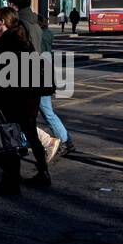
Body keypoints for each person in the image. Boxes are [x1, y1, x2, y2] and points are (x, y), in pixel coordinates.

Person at [0, 6, 51, 193]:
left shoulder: (7, 41)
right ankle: (43, 173)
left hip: (14, 96)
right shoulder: (22, 37)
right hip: (29, 95)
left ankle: (11, 181)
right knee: (31, 135)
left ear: (3, 21)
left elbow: (5, 74)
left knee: (9, 137)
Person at [37, 14, 73, 160]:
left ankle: (65, 142)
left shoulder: (39, 35)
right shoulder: (48, 34)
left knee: (48, 113)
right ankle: (67, 141)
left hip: (40, 74)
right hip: (46, 71)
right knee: (47, 112)